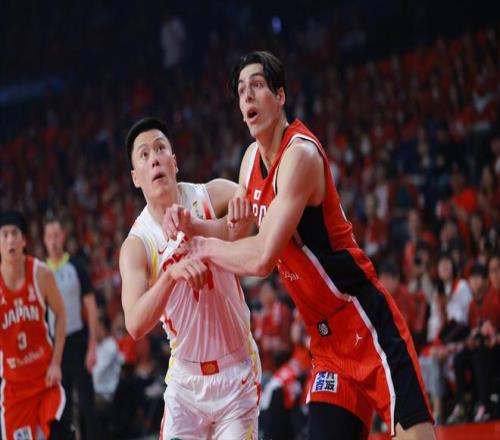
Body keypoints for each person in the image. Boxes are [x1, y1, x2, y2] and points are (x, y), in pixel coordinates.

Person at [179, 51, 435, 439]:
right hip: (327, 345)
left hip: (365, 322)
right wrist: (195, 226)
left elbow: (262, 258)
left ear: (280, 96)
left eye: (257, 86)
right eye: (241, 91)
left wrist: (202, 249)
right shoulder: (249, 160)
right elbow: (237, 233)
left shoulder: (300, 155)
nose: (247, 96)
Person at [119, 117, 261, 439]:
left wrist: (239, 210)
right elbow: (135, 324)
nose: (154, 159)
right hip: (185, 384)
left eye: (160, 149)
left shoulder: (210, 195)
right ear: (135, 178)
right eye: (144, 155)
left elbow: (252, 204)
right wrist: (170, 275)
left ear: (174, 162)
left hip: (236, 373)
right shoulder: (138, 245)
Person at [0, 211, 67, 439]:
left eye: (15, 234)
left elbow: (61, 314)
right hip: (14, 388)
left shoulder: (41, 274)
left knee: (60, 431)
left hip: (45, 378)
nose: (10, 239)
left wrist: (56, 363)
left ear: (24, 241)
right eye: (5, 234)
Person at [43, 217, 101, 439]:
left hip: (78, 341)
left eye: (56, 235)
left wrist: (92, 346)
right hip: (53, 348)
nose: (54, 241)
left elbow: (91, 308)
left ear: (63, 237)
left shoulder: (76, 267)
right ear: (44, 240)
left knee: (87, 405)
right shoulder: (40, 272)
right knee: (61, 408)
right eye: (49, 237)